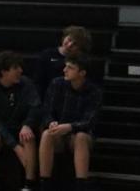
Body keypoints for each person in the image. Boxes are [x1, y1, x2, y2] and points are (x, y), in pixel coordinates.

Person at [38, 57, 102, 191]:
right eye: (65, 66)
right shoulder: (57, 84)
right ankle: (44, 183)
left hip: (79, 134)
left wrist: (69, 127)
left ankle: (81, 184)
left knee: (80, 137)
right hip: (59, 133)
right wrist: (51, 122)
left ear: (82, 73)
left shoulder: (93, 91)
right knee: (46, 134)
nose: (64, 70)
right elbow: (47, 110)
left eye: (70, 67)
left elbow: (89, 121)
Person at [0, 51, 41, 191]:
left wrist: (27, 124)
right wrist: (16, 147)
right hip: (0, 129)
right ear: (3, 72)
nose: (20, 70)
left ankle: (29, 184)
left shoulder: (26, 83)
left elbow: (36, 106)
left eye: (20, 67)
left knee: (28, 136)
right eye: (15, 68)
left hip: (20, 127)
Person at [33, 26, 92, 100]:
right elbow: (38, 82)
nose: (69, 45)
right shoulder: (47, 54)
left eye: (75, 44)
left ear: (80, 48)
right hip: (48, 98)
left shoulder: (81, 61)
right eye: (69, 39)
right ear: (64, 37)